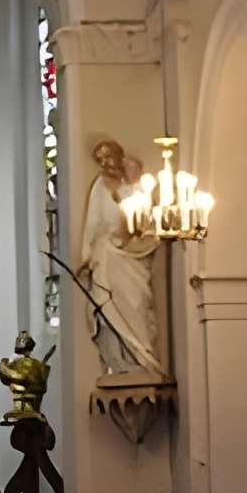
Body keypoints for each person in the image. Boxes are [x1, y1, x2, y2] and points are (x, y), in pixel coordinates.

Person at [76, 138, 166, 382]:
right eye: (100, 159)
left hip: (132, 257)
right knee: (106, 303)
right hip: (106, 255)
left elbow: (146, 224)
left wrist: (138, 235)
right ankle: (119, 363)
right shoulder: (99, 186)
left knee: (136, 304)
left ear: (120, 157)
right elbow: (92, 224)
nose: (105, 163)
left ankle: (144, 359)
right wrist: (87, 256)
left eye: (109, 156)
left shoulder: (137, 189)